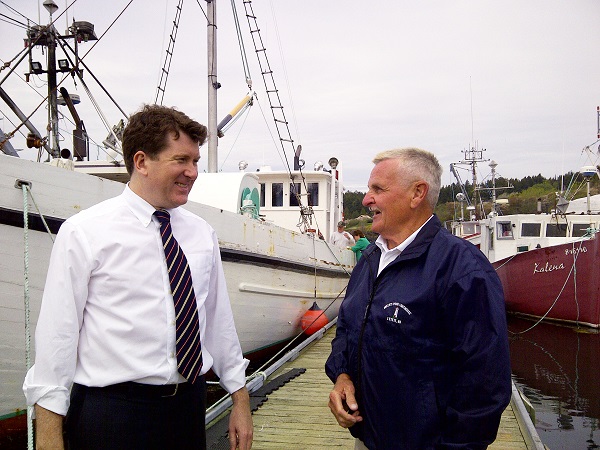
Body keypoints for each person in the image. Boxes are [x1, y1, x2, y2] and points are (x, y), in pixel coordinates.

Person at [23, 105, 253, 450]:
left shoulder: (201, 233)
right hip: (113, 414)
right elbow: (58, 338)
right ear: (142, 162)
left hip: (186, 410)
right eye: (181, 160)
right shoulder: (85, 232)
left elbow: (217, 321)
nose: (192, 172)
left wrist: (240, 399)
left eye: (195, 161)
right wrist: (48, 436)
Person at [325, 148, 511, 449]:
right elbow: (346, 331)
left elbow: (485, 385)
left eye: (378, 189)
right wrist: (342, 376)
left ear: (417, 194)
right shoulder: (370, 260)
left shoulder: (463, 269)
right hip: (368, 439)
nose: (366, 199)